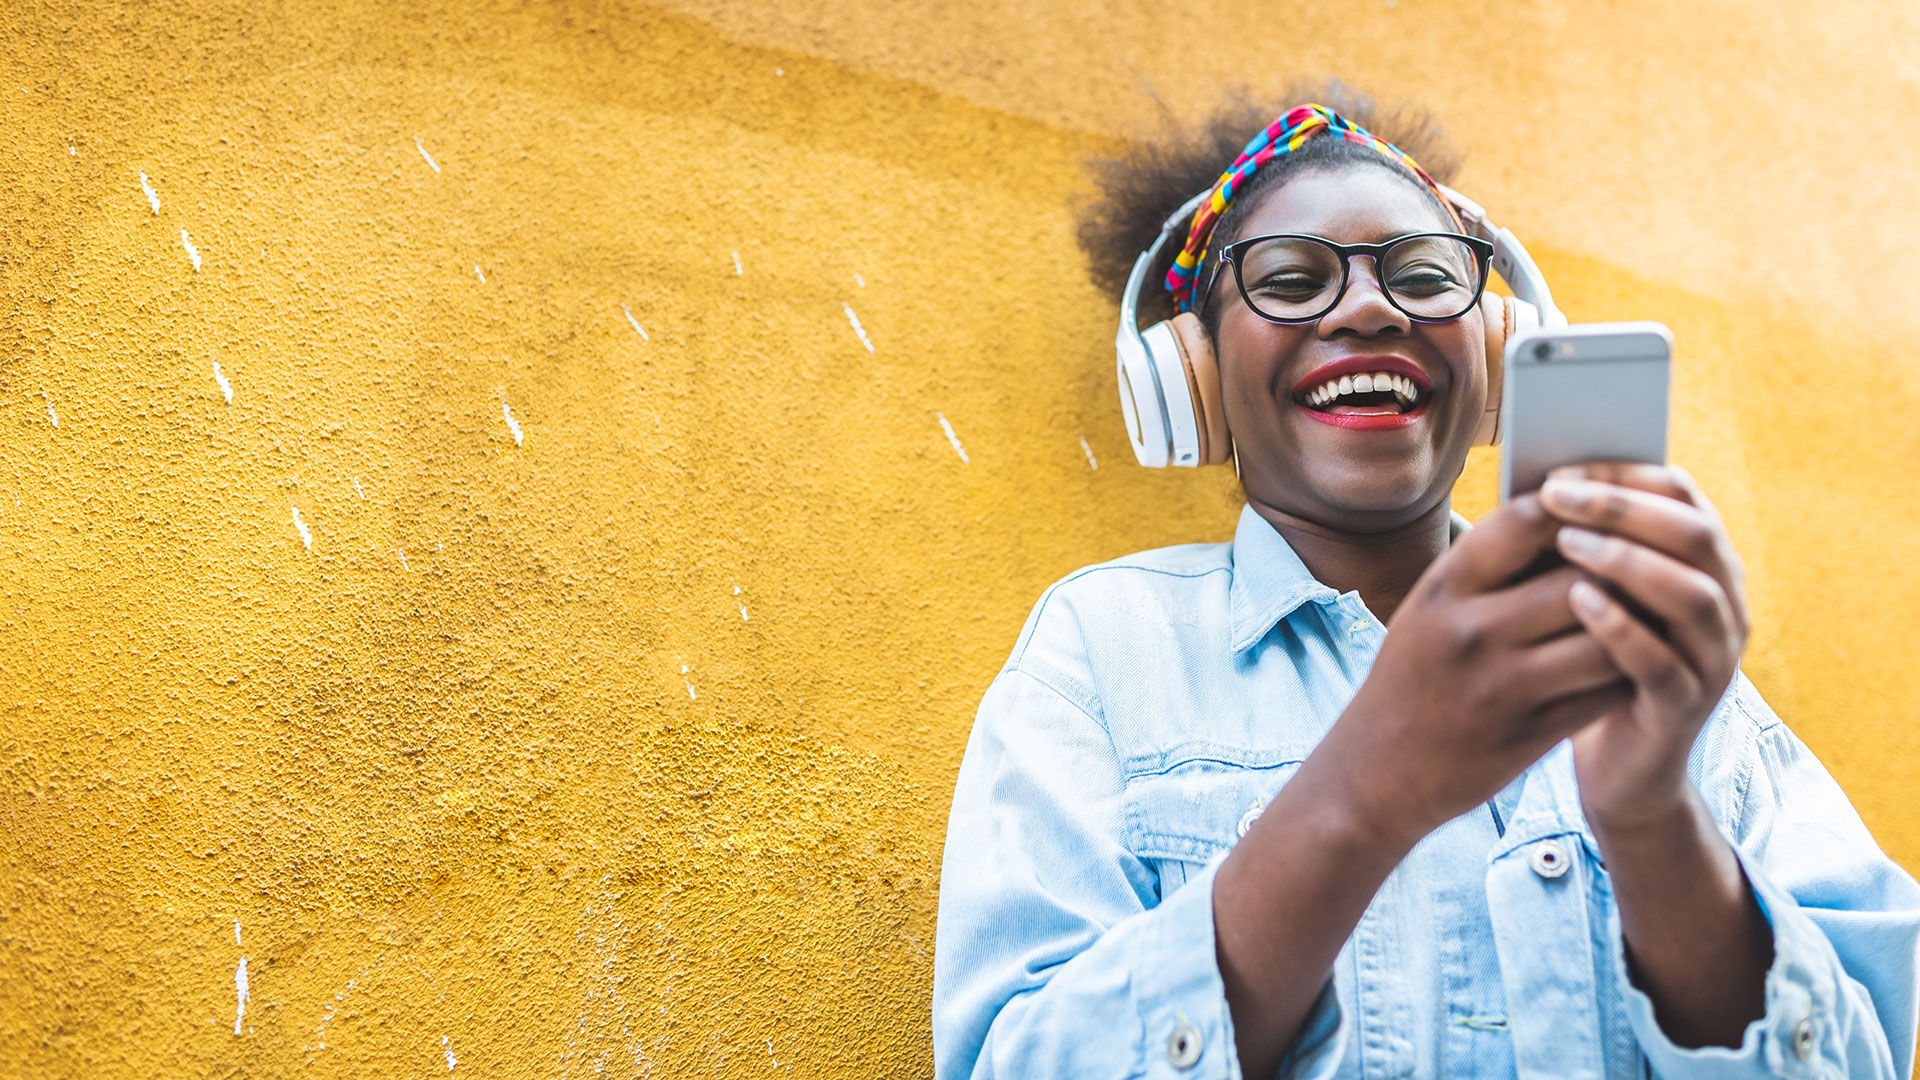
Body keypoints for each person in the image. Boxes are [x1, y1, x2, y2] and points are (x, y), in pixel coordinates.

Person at [931, 87, 1920, 1080]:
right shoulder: (1103, 648)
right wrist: (1367, 789)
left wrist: (1652, 817)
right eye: (1288, 279)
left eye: (1423, 274)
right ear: (1193, 372)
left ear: (1495, 348)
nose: (1369, 307)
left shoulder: (1651, 659)